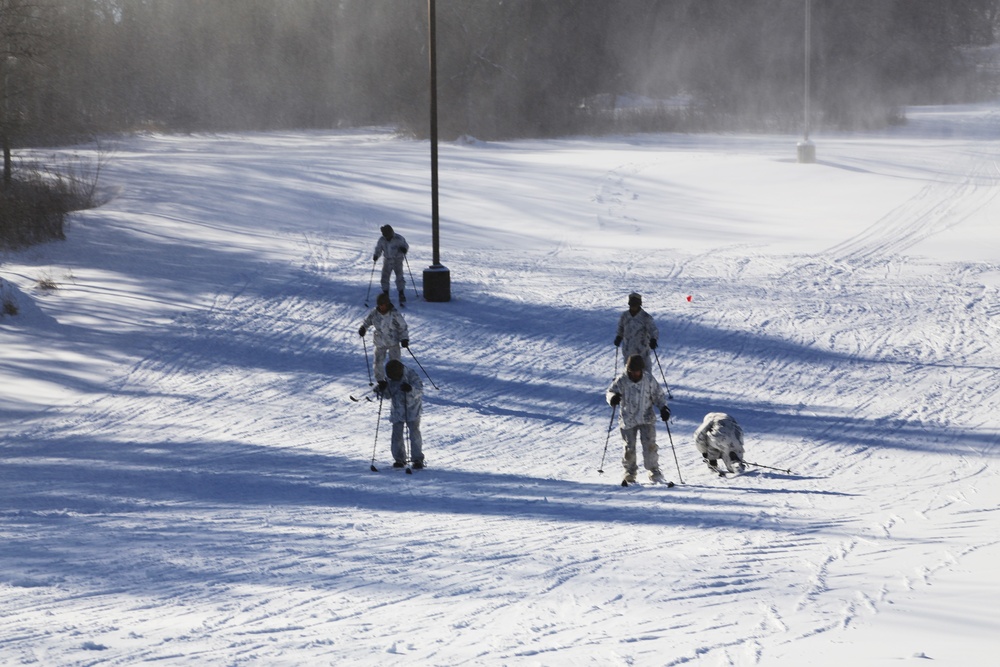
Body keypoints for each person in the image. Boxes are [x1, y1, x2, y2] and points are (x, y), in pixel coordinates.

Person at [606, 354, 671, 484]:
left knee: (650, 445)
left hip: (646, 417)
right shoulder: (622, 380)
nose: (636, 373)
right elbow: (610, 391)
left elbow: (658, 395)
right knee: (629, 447)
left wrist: (664, 408)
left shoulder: (648, 379)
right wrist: (612, 398)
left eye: (638, 371)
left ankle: (654, 470)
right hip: (628, 418)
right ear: (629, 370)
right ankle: (629, 472)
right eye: (633, 371)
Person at [359, 292, 409, 387]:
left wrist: (404, 338)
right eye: (379, 305)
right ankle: (380, 380)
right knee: (378, 361)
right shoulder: (375, 313)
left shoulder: (394, 313)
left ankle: (396, 379)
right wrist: (363, 328)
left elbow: (403, 326)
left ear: (387, 304)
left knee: (395, 361)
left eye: (383, 305)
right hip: (380, 341)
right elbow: (367, 321)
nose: (381, 307)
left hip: (393, 341)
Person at [384, 359, 424, 468]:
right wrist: (382, 389)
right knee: (397, 435)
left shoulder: (411, 375)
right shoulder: (390, 378)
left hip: (412, 409)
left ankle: (417, 459)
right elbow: (388, 394)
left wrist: (410, 389)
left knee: (414, 434)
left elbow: (420, 390)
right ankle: (399, 459)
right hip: (397, 410)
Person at [614, 292, 659, 371]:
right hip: (628, 350)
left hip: (642, 351)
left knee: (645, 374)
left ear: (639, 304)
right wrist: (619, 337)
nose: (633, 307)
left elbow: (653, 330)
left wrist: (653, 339)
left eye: (635, 304)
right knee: (629, 373)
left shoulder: (645, 317)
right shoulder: (624, 316)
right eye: (632, 304)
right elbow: (621, 328)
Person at [373, 224, 410, 304]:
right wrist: (376, 255)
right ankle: (386, 294)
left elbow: (406, 245)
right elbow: (378, 249)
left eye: (388, 236)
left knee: (399, 277)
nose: (387, 238)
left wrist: (404, 249)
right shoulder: (382, 240)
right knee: (384, 278)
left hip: (398, 260)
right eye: (385, 236)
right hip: (387, 260)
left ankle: (401, 293)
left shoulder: (399, 238)